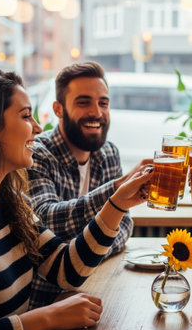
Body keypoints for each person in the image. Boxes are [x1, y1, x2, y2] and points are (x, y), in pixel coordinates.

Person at [0, 68, 152, 330]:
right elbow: (50, 217)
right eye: (25, 116)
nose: (37, 127)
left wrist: (116, 204)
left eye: (103, 102)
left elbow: (66, 269)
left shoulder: (11, 203)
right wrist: (46, 317)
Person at [26, 61, 152, 309]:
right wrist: (117, 191)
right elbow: (45, 219)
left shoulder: (108, 153)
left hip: (97, 287)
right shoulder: (37, 154)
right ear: (58, 109)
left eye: (103, 103)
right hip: (45, 303)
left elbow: (124, 225)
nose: (97, 112)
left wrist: (85, 251)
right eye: (84, 102)